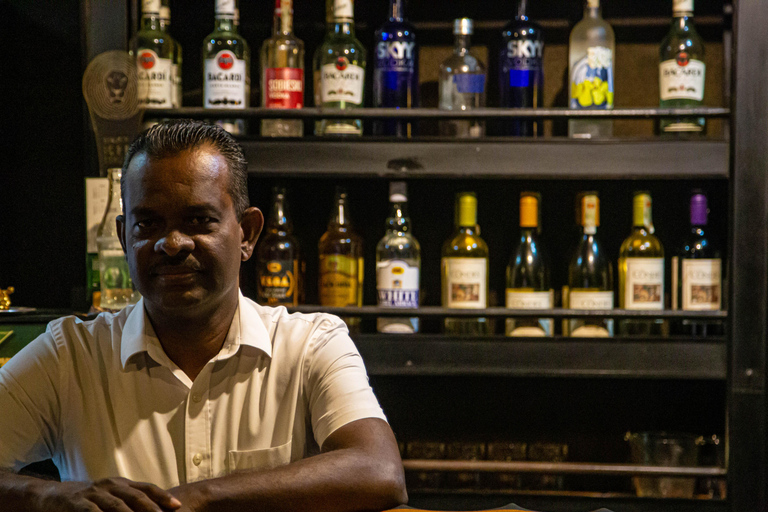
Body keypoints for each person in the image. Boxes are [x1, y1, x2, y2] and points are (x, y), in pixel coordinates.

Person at [0, 120, 408, 512]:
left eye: (198, 220)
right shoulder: (70, 355)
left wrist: (202, 498)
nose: (172, 243)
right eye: (149, 224)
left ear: (247, 233)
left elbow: (379, 469)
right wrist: (50, 498)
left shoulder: (310, 344)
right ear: (125, 238)